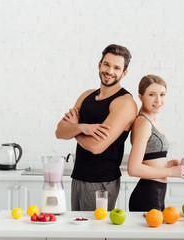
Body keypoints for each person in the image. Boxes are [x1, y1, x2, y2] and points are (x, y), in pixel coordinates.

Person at [55, 44, 137, 211]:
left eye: (116, 67)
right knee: (78, 233)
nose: (110, 71)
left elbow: (96, 146)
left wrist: (75, 127)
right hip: (78, 178)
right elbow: (60, 131)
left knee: (94, 234)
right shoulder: (87, 95)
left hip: (101, 183)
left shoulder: (125, 103)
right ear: (99, 65)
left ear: (124, 73)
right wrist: (84, 127)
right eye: (107, 64)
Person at [127, 75, 184, 212]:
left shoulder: (151, 121)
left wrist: (169, 164)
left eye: (162, 94)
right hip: (147, 194)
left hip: (156, 193)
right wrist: (171, 172)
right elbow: (133, 169)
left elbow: (150, 162)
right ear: (141, 97)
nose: (158, 100)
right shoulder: (143, 123)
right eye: (152, 94)